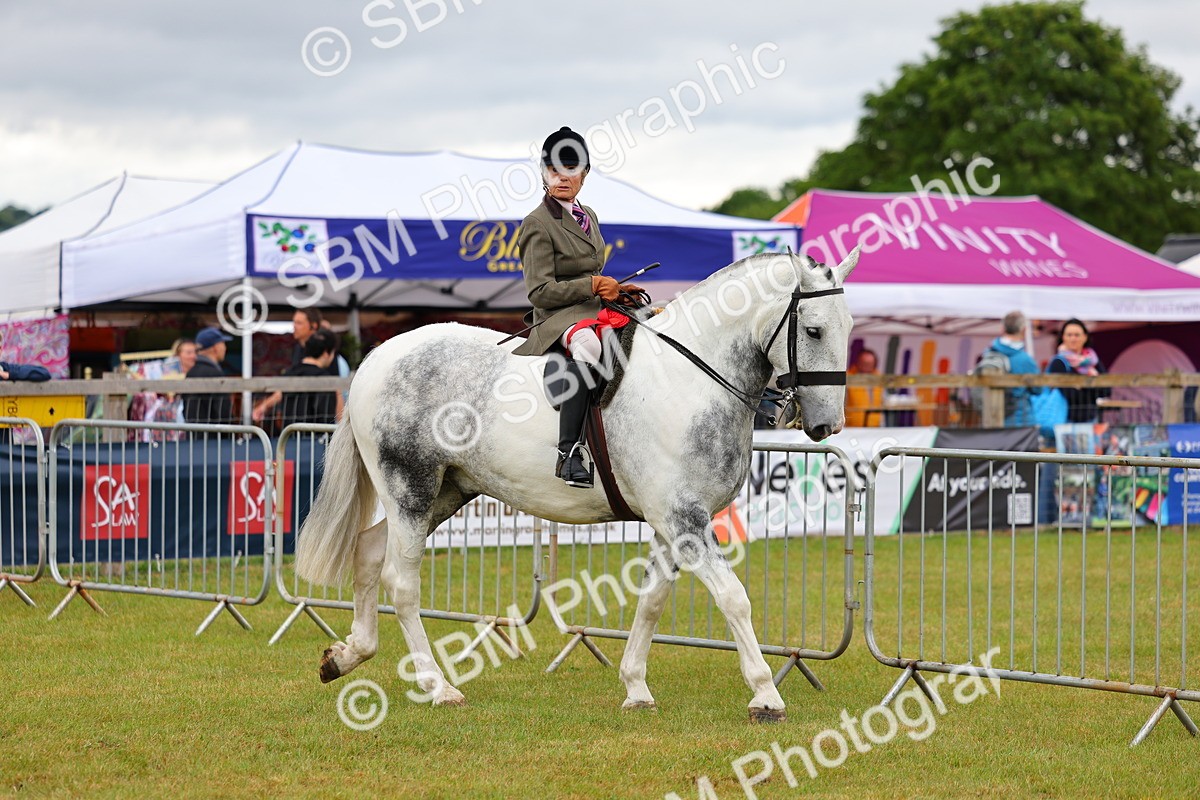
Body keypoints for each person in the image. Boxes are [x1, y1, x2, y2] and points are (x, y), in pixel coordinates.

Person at [512, 126, 641, 488]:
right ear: (543, 173)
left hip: (592, 308)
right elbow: (539, 291)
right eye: (554, 170)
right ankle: (568, 453)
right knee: (590, 346)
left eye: (570, 171)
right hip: (556, 317)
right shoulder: (537, 223)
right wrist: (592, 286)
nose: (562, 178)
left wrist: (615, 288)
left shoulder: (589, 215)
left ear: (584, 175)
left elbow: (592, 270)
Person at [253, 308, 336, 422]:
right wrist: (265, 406)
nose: (294, 326)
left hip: (317, 423)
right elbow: (290, 384)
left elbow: (336, 391)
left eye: (299, 323)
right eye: (294, 322)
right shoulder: (298, 349)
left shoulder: (326, 353)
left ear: (313, 326)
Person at [984, 311, 1042, 427]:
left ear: (1002, 328)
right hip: (1020, 419)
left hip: (991, 417)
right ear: (1024, 330)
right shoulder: (1025, 360)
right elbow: (1038, 389)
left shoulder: (988, 353)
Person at [1045, 318, 1109, 422]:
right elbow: (1070, 395)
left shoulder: (1092, 360)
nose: (1073, 339)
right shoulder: (1059, 362)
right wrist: (1092, 386)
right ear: (1063, 337)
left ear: (1085, 337)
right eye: (1069, 335)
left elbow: (1106, 390)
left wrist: (1081, 387)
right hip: (1067, 419)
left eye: (1077, 335)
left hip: (1091, 418)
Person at [279, 329, 340, 426]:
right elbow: (326, 417)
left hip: (289, 436)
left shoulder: (288, 374)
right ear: (325, 353)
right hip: (315, 438)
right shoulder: (325, 380)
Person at [184, 326, 233, 424]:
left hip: (194, 435)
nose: (225, 348)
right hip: (213, 436)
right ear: (216, 347)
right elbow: (223, 413)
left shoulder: (191, 373)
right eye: (223, 344)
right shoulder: (215, 374)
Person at [845, 348, 883, 427]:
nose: (867, 366)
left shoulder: (878, 378)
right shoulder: (848, 377)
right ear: (858, 362)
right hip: (852, 427)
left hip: (875, 427)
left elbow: (882, 401)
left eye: (870, 364)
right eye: (864, 363)